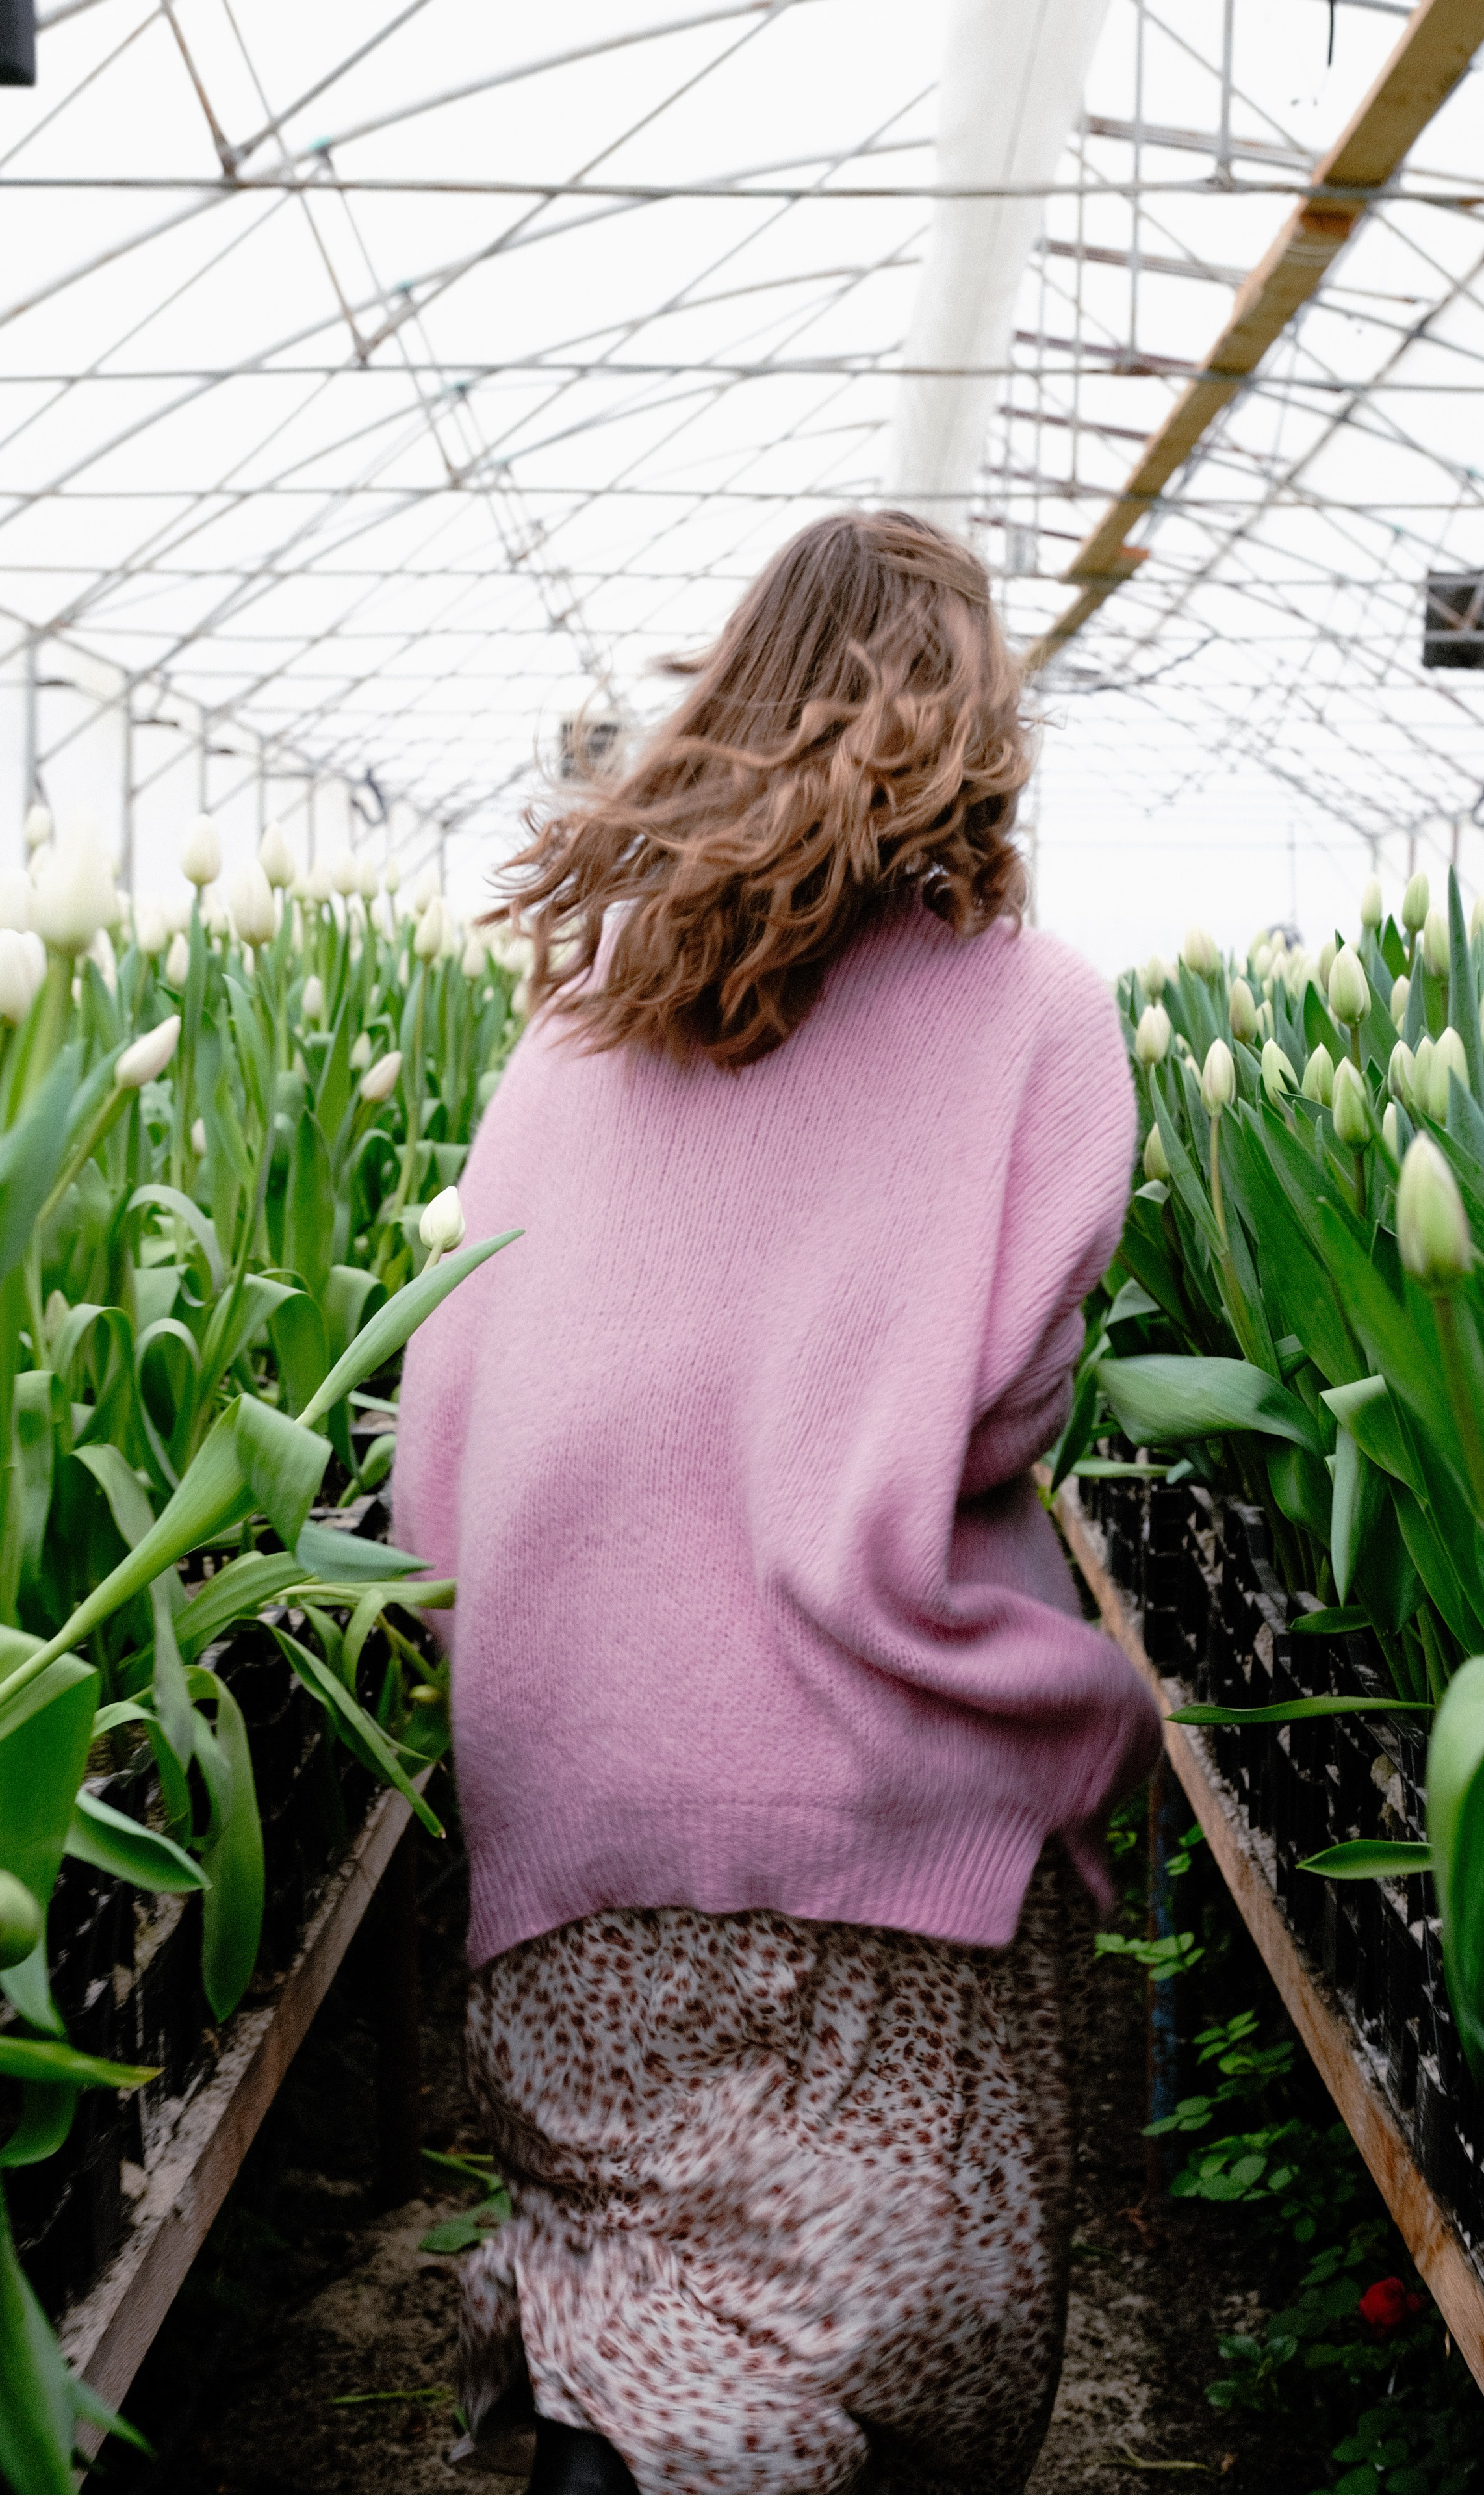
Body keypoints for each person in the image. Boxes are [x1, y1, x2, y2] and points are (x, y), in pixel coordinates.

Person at [393, 509, 1162, 2495]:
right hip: (868, 1817)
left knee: (642, 2256)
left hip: (568, 1821)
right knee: (910, 2327)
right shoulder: (1034, 1013)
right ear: (976, 727)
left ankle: (610, 2444)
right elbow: (993, 1416)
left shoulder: (571, 1029)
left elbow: (434, 1444)